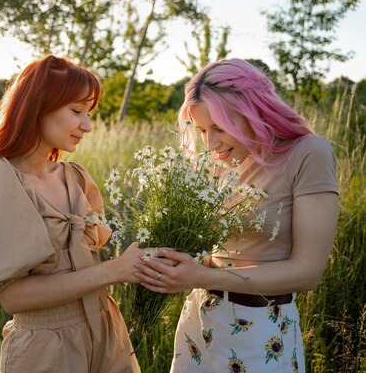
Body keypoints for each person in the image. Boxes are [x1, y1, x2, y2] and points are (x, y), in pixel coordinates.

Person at [0, 55, 145, 373]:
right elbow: (13, 298)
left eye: (88, 114)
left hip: (107, 331)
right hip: (46, 350)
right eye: (77, 111)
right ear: (39, 106)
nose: (87, 126)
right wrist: (115, 271)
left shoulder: (76, 177)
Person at [136, 58, 339, 373]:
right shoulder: (219, 161)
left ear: (254, 112)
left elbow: (307, 272)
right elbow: (216, 253)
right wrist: (172, 264)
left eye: (219, 128)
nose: (210, 143)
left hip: (263, 331)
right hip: (199, 322)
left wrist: (200, 276)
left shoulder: (308, 153)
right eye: (203, 129)